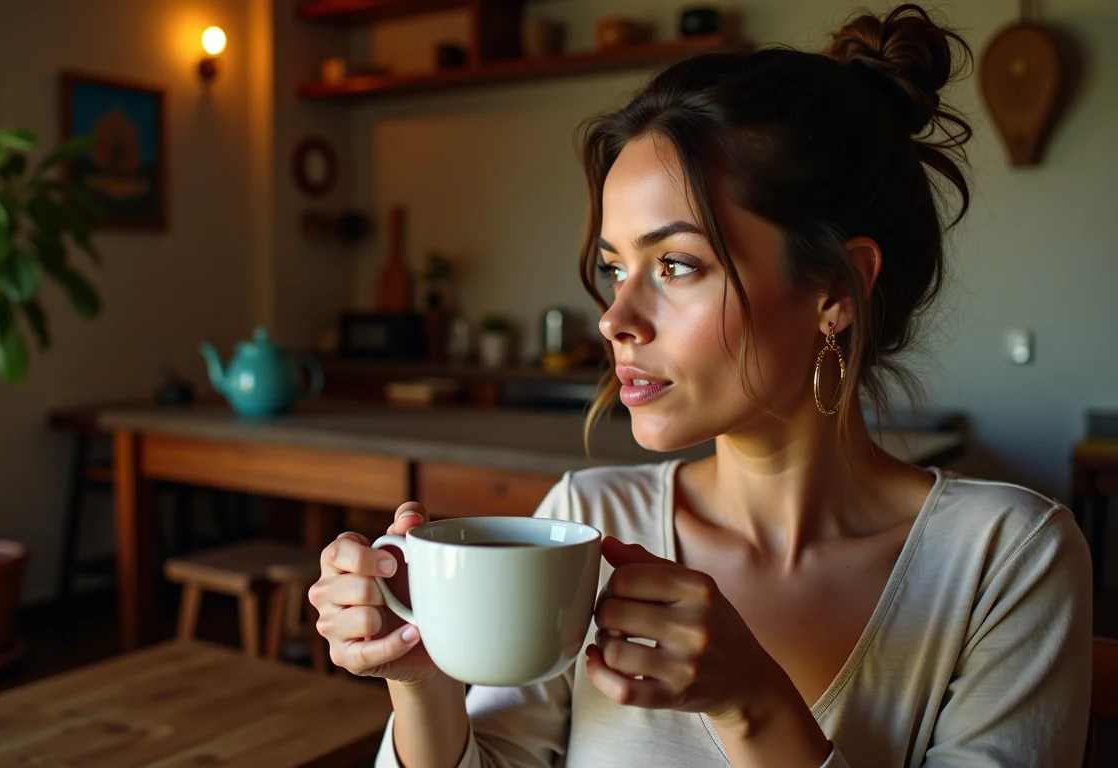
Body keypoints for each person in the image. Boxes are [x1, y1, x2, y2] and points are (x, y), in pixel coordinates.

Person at [307, 5, 1093, 766]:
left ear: (835, 287)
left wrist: (752, 705)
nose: (615, 316)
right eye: (615, 269)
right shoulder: (586, 523)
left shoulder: (1007, 559)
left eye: (677, 264)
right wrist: (424, 684)